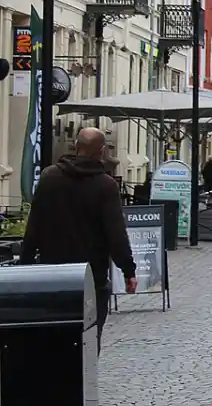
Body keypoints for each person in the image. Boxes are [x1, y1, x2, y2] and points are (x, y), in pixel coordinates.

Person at [20, 127, 136, 350]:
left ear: (75, 146)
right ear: (101, 151)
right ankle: (84, 370)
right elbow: (115, 233)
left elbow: (34, 226)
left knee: (54, 334)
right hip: (91, 276)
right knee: (90, 335)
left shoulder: (49, 177)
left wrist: (25, 265)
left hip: (53, 272)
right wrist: (128, 270)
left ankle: (57, 369)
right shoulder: (106, 185)